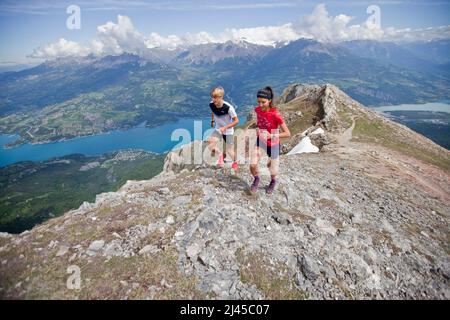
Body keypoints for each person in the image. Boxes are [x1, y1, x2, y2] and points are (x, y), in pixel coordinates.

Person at [250, 86, 290, 194]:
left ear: (270, 100)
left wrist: (271, 135)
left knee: (272, 169)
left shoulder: (276, 114)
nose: (260, 105)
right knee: (253, 164)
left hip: (273, 144)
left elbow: (287, 133)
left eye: (263, 102)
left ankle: (273, 181)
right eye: (258, 102)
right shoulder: (257, 110)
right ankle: (256, 179)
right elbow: (259, 122)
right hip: (261, 141)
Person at [207, 86, 239, 173]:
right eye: (212, 97)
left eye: (215, 97)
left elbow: (236, 121)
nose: (213, 99)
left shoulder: (228, 108)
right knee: (210, 144)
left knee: (229, 151)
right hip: (218, 129)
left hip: (228, 131)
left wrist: (224, 127)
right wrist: (213, 120)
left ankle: (235, 162)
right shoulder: (211, 104)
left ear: (221, 97)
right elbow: (213, 111)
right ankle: (220, 155)